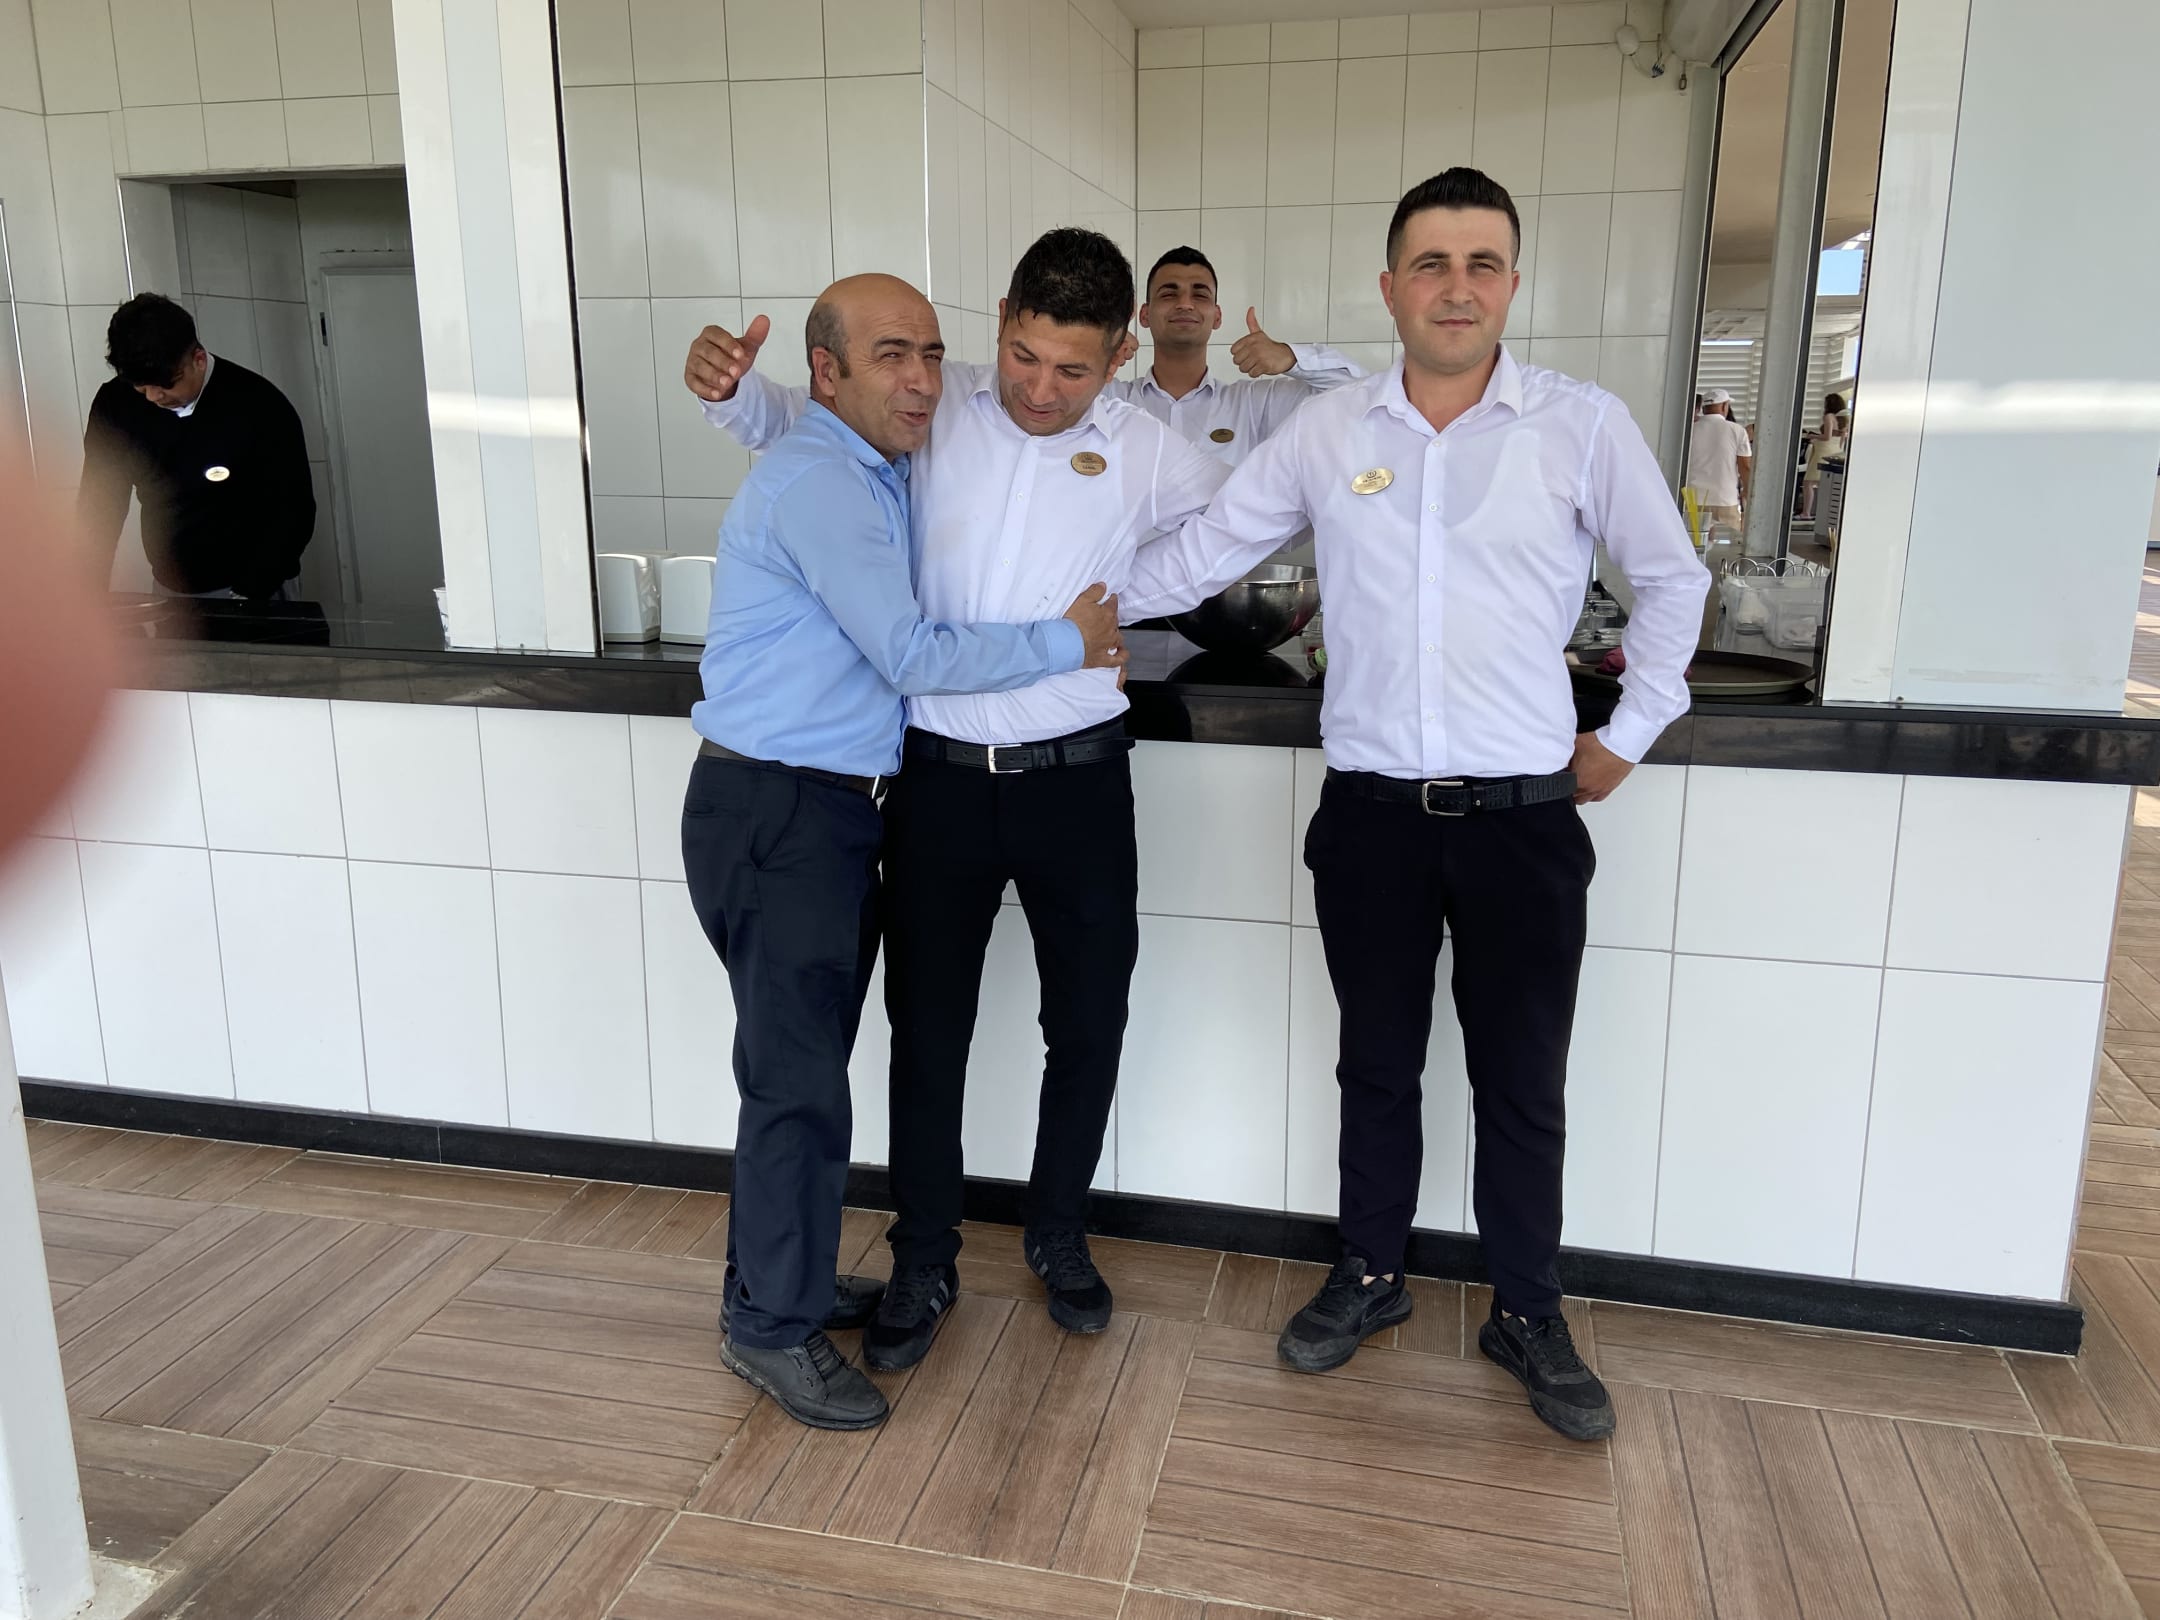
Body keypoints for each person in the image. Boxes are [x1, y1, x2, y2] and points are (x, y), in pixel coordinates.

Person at [1125, 168, 1709, 1443]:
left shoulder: (1579, 425)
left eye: (1481, 263)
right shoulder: (1329, 432)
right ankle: (1371, 1271)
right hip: (1375, 818)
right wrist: (1070, 599)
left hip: (1524, 822)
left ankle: (1528, 1310)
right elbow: (1209, 550)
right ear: (1390, 287)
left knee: (1522, 1081)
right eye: (1432, 264)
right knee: (1378, 1065)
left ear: (1512, 284)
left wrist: (1628, 735)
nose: (1457, 286)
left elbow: (1674, 582)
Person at [685, 229, 1228, 1376]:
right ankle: (923, 1259)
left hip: (1080, 778)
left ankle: (1058, 1233)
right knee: (927, 1034)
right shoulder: (937, 405)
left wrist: (1125, 598)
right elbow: (808, 420)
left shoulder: (1152, 450)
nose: (1040, 389)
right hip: (935, 780)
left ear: (1120, 356)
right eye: (1023, 356)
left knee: (1088, 1021)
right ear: (1003, 322)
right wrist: (731, 394)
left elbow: (1237, 530)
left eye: (1072, 370)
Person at [77, 294, 316, 600]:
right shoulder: (115, 406)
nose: (153, 397)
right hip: (169, 589)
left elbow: (294, 511)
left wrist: (250, 590)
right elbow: (99, 507)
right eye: (141, 386)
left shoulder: (259, 405)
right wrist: (86, 597)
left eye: (166, 384)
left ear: (198, 360)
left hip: (257, 587)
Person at [1117, 248, 1362, 465]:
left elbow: (1357, 394)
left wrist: (1290, 357)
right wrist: (1101, 347)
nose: (1185, 304)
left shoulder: (1253, 405)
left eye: (1200, 295)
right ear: (1144, 315)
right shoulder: (1114, 400)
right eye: (1169, 294)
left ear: (1217, 317)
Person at [1685, 387, 1752, 530]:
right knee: (1730, 540)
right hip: (1725, 499)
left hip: (1693, 498)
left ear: (1704, 408)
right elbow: (1745, 467)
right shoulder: (1737, 430)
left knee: (1693, 538)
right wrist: (1747, 491)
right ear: (1724, 406)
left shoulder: (1689, 430)